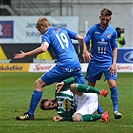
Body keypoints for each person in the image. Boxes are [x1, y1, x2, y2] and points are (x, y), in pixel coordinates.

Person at [14, 17, 86, 120]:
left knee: (38, 84)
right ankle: (100, 112)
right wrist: (81, 52)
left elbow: (43, 48)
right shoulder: (63, 29)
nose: (40, 33)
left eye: (39, 30)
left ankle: (30, 114)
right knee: (84, 91)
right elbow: (81, 38)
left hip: (64, 65)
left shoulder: (47, 34)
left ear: (42, 27)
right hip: (76, 64)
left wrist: (26, 54)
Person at [83, 8, 122, 119]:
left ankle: (115, 111)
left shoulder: (112, 32)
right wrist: (85, 51)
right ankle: (98, 111)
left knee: (113, 85)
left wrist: (114, 63)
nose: (104, 22)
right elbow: (84, 41)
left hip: (107, 62)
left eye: (107, 20)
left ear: (110, 19)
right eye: (103, 19)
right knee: (90, 88)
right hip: (94, 62)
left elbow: (114, 48)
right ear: (100, 17)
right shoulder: (93, 29)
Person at [40, 77, 109, 122]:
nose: (51, 106)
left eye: (49, 104)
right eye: (49, 108)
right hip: (85, 107)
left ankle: (100, 92)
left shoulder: (59, 92)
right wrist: (62, 119)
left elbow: (73, 78)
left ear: (49, 99)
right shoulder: (60, 112)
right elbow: (70, 118)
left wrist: (64, 82)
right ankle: (102, 116)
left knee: (72, 87)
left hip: (86, 95)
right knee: (75, 118)